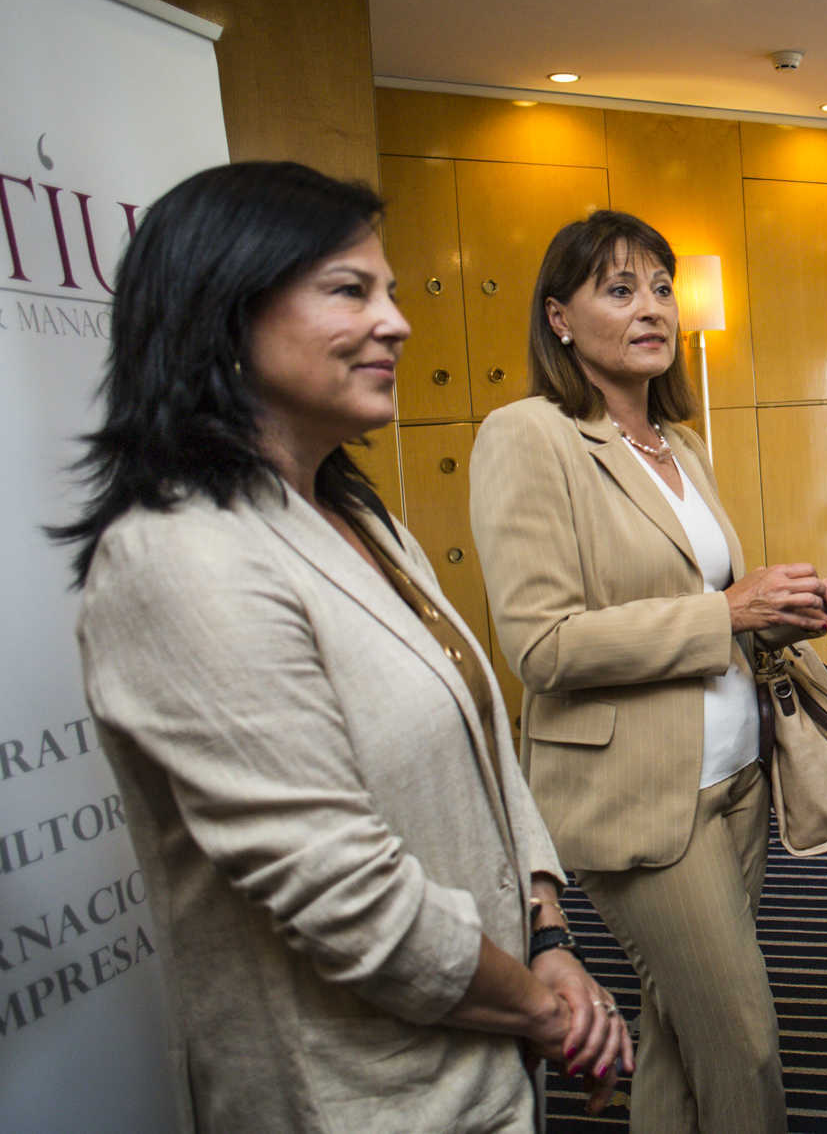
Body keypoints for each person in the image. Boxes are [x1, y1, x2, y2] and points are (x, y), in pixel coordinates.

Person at [59, 161, 631, 1131]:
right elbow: (344, 891)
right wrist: (540, 1010)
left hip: (480, 1055)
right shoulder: (178, 555)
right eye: (349, 291)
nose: (396, 322)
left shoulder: (355, 513)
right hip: (353, 1093)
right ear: (224, 312)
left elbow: (484, 746)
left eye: (391, 292)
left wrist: (547, 936)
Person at [468, 209, 827, 1133]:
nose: (651, 308)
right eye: (619, 289)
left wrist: (793, 606)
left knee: (683, 1039)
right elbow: (543, 645)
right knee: (743, 1041)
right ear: (560, 317)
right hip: (641, 796)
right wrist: (728, 611)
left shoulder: (679, 443)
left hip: (738, 776)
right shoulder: (529, 436)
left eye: (659, 287)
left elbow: (712, 603)